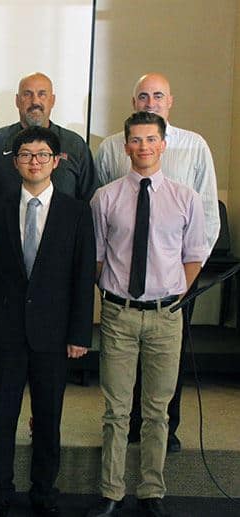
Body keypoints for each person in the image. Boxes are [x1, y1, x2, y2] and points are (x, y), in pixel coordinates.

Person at [86, 112, 210, 517]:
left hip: (165, 317)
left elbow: (194, 257)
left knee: (157, 411)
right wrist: (115, 293)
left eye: (151, 139)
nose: (143, 147)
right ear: (126, 147)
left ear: (163, 145)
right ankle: (111, 491)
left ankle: (151, 490)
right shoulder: (105, 198)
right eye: (136, 140)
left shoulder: (185, 198)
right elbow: (97, 258)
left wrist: (171, 292)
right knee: (116, 410)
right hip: (119, 316)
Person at [0, 126, 95, 517]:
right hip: (5, 331)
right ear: (16, 162)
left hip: (53, 335)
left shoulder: (77, 212)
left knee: (48, 418)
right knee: (1, 416)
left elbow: (82, 276)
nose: (34, 162)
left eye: (42, 155)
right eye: (25, 155)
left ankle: (44, 492)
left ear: (56, 161)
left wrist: (80, 333)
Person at [95, 73, 220, 453]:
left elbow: (207, 214)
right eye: (144, 96)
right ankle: (127, 429)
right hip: (123, 285)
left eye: (158, 96)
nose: (151, 102)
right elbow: (101, 217)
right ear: (134, 102)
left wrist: (184, 279)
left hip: (176, 279)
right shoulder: (111, 148)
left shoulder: (194, 146)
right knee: (121, 372)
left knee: (166, 367)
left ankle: (167, 431)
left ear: (170, 101)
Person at [0, 72, 97, 203]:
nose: (35, 101)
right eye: (27, 94)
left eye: (42, 94)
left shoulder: (74, 144)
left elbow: (91, 200)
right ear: (17, 101)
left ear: (52, 100)